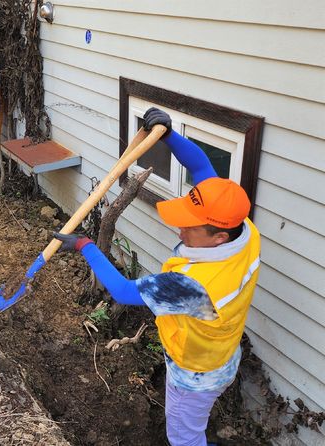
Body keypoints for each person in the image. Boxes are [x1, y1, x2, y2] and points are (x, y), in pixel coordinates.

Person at [55, 108, 260, 446]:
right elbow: (201, 168)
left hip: (194, 375)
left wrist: (84, 244)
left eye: (189, 226)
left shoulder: (194, 285)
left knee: (184, 436)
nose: (180, 227)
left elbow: (121, 290)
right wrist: (168, 134)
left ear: (218, 236)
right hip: (222, 355)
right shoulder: (244, 231)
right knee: (195, 421)